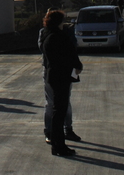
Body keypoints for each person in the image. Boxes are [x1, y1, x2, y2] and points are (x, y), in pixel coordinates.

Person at [41, 10, 81, 158]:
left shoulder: (46, 35)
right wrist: (76, 65)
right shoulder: (57, 37)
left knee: (57, 111)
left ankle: (57, 145)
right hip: (61, 77)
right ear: (58, 21)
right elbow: (69, 53)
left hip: (54, 76)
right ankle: (59, 146)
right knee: (59, 112)